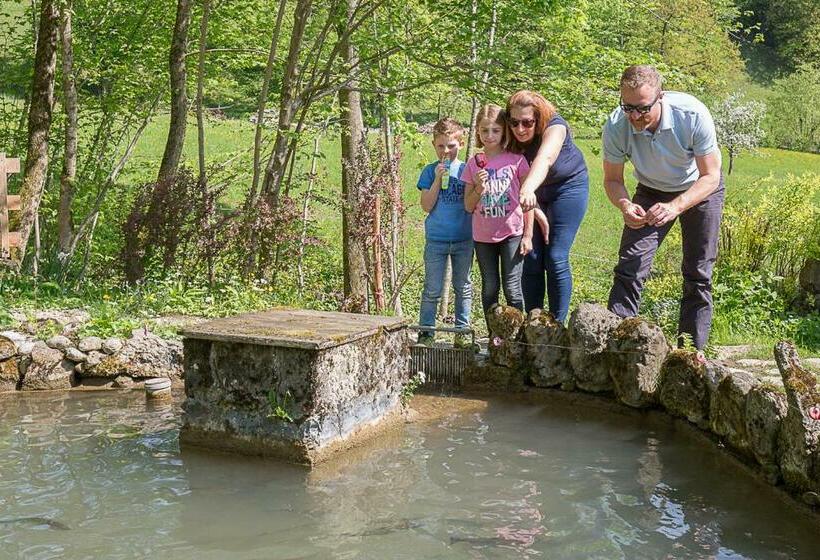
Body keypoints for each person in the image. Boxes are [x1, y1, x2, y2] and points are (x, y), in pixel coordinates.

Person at [602, 64, 724, 352]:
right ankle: (618, 346)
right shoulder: (617, 125)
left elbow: (711, 176)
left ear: (661, 97)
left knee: (698, 272)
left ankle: (690, 353)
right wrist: (624, 204)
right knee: (630, 265)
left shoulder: (692, 115)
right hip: (650, 189)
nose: (634, 116)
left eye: (642, 109)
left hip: (699, 189)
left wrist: (674, 207)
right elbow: (611, 179)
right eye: (628, 107)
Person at [511, 90, 589, 323]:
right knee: (531, 256)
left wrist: (527, 190)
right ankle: (534, 323)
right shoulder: (509, 133)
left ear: (539, 118)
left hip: (567, 187)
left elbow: (545, 158)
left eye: (527, 122)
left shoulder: (555, 127)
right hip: (532, 194)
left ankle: (556, 325)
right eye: (514, 122)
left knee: (555, 256)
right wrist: (530, 201)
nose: (520, 129)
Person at [462, 104, 540, 333]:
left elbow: (528, 200)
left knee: (512, 288)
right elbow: (468, 205)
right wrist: (478, 186)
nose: (490, 136)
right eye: (484, 130)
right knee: (490, 288)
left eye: (495, 130)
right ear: (477, 132)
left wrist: (528, 235)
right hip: (483, 236)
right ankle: (495, 336)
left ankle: (517, 337)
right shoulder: (473, 164)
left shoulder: (516, 160)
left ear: (504, 131)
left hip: (512, 233)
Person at [416, 117, 474, 347]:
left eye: (451, 145)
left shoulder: (468, 170)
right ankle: (426, 333)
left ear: (460, 143)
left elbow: (473, 201)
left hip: (463, 238)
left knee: (463, 286)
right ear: (434, 145)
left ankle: (461, 332)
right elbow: (426, 205)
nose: (446, 150)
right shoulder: (430, 171)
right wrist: (438, 179)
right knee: (432, 289)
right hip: (437, 240)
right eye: (441, 146)